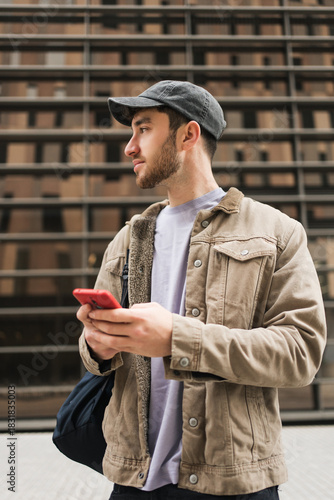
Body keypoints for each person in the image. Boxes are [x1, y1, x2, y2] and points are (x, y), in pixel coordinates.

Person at [77, 80, 327, 499]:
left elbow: (300, 354)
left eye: (143, 129)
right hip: (135, 480)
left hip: (233, 481)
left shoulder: (277, 232)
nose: (129, 147)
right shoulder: (128, 239)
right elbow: (93, 357)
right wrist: (98, 344)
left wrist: (177, 338)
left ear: (188, 135)